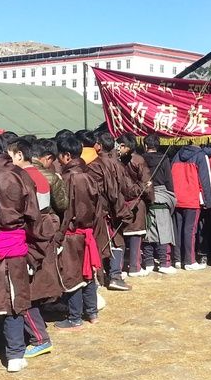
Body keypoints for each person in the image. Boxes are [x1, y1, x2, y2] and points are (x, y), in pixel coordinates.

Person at [0, 132, 54, 372]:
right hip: (15, 247)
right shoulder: (21, 175)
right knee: (15, 302)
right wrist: (35, 249)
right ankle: (15, 354)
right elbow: (34, 216)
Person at [10, 136, 60, 358]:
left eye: (10, 156)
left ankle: (39, 338)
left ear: (20, 155)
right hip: (43, 237)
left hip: (31, 240)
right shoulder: (40, 175)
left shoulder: (23, 177)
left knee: (25, 294)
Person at [54, 135, 102, 329]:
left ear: (66, 155)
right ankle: (92, 312)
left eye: (59, 156)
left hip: (72, 234)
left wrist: (59, 235)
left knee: (73, 275)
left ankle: (74, 317)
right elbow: (99, 207)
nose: (58, 160)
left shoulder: (68, 178)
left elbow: (66, 212)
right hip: (88, 231)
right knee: (87, 273)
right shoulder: (89, 175)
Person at [88, 131, 132, 291]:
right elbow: (125, 188)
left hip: (103, 209)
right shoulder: (117, 164)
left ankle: (112, 276)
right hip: (113, 208)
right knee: (114, 242)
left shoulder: (94, 165)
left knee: (106, 242)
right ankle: (112, 276)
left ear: (99, 146)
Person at [170, 142, 211, 270]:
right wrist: (208, 201)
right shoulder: (201, 155)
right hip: (192, 199)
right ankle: (189, 261)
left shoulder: (176, 155)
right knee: (190, 230)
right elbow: (205, 179)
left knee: (177, 230)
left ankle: (177, 259)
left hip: (177, 198)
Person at [141, 134, 177, 274]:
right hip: (162, 196)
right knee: (164, 232)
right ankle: (164, 263)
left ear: (145, 146)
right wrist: (171, 196)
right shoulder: (164, 159)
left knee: (148, 232)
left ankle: (148, 262)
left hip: (145, 196)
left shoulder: (140, 159)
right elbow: (169, 180)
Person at [116, 134, 151, 278]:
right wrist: (149, 199)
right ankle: (135, 267)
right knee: (135, 236)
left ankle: (118, 268)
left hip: (119, 202)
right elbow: (147, 184)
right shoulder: (138, 160)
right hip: (135, 202)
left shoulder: (114, 161)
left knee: (120, 238)